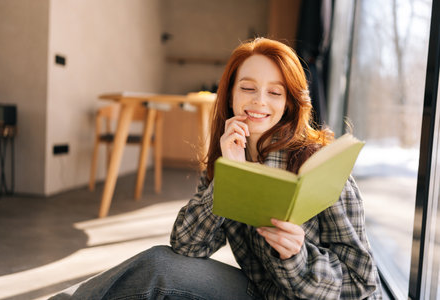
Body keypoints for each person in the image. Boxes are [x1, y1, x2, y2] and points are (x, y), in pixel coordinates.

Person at [51, 38, 382, 300]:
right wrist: (226, 175)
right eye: (248, 88)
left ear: (290, 102)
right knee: (158, 265)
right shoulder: (227, 155)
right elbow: (186, 246)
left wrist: (298, 256)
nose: (259, 102)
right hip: (259, 293)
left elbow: (362, 285)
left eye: (274, 92)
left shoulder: (318, 163)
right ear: (230, 95)